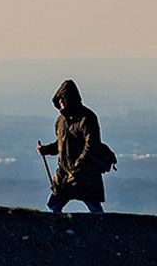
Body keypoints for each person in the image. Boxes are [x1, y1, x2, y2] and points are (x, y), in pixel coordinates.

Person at [37, 79, 106, 214]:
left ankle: (103, 232)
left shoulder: (87, 118)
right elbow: (62, 144)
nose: (62, 100)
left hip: (86, 173)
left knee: (94, 208)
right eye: (60, 97)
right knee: (53, 206)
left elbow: (92, 145)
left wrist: (78, 166)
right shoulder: (61, 121)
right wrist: (47, 149)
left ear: (72, 98)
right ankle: (57, 232)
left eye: (64, 97)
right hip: (64, 172)